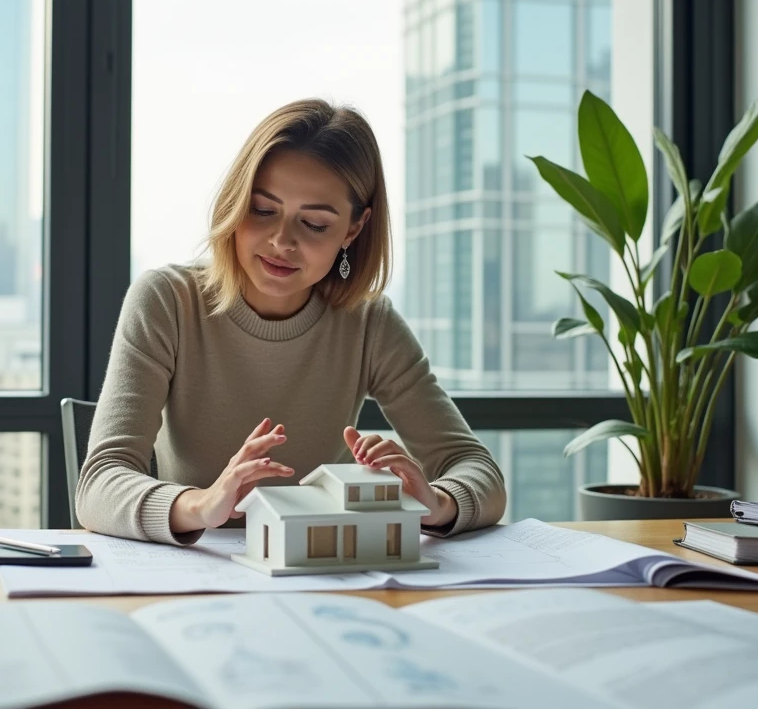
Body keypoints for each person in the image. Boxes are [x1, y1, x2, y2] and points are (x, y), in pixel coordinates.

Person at [77, 98, 506, 545]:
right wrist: (202, 505)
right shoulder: (167, 302)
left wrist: (437, 503)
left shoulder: (368, 322)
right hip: (204, 568)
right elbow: (99, 485)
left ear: (354, 229)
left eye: (315, 224)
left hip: (325, 570)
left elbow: (477, 470)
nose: (282, 241)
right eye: (263, 210)